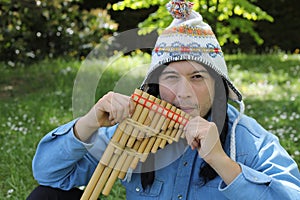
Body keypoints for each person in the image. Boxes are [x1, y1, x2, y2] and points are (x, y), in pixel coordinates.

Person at [27, 0, 300, 199]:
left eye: (197, 77)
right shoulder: (134, 127)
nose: (183, 94)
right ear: (155, 85)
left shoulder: (247, 139)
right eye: (170, 78)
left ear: (218, 86)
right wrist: (87, 124)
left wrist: (221, 161)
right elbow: (50, 176)